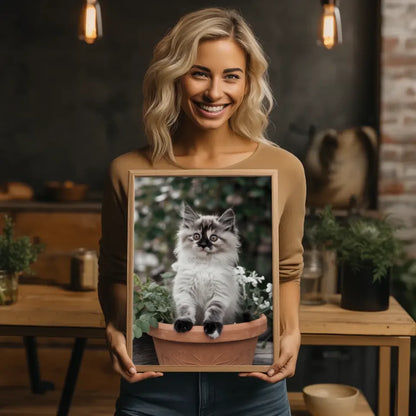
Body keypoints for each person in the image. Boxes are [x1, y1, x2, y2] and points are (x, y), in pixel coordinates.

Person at [98, 8, 306, 416]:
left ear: (248, 83)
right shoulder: (128, 170)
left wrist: (292, 332)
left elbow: (287, 271)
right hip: (154, 389)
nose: (215, 93)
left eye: (231, 75)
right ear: (173, 76)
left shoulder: (285, 169)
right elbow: (114, 272)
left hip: (252, 392)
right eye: (199, 73)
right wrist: (112, 328)